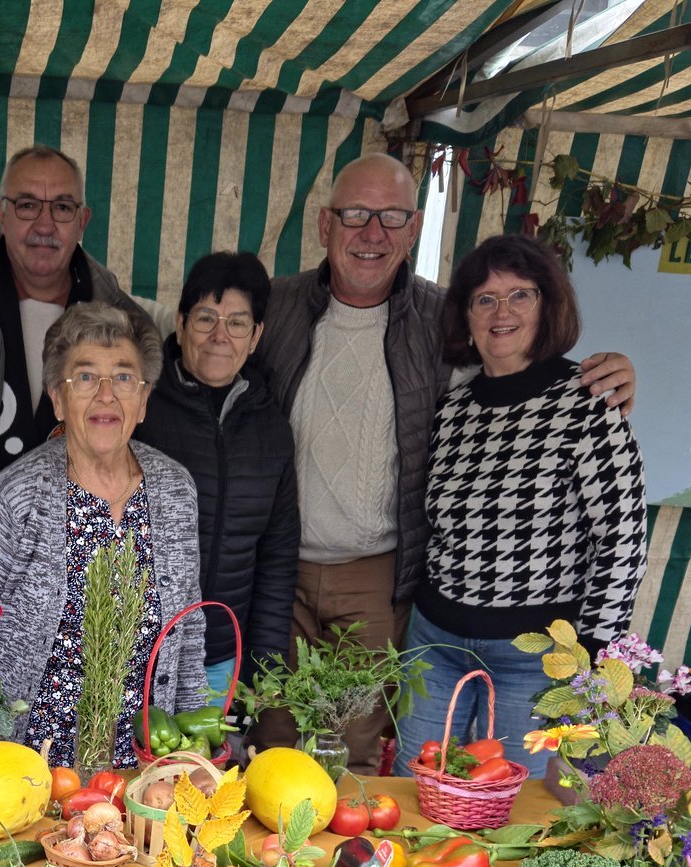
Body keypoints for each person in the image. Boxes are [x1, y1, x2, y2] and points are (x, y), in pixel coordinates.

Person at [257, 153, 637, 769]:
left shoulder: (573, 394)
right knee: (307, 747)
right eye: (356, 215)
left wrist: (594, 652)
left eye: (393, 217)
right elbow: (195, 338)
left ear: (414, 230)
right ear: (325, 225)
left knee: (429, 770)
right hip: (349, 599)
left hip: (436, 604)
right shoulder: (275, 309)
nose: (372, 233)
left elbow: (621, 535)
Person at [393, 234, 647, 771]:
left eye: (520, 295)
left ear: (547, 305)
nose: (501, 311)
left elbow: (622, 540)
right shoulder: (453, 409)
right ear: (465, 316)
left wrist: (595, 659)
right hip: (434, 642)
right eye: (484, 299)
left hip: (532, 659)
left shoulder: (589, 402)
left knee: (509, 805)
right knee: (413, 787)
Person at [0, 301, 205, 769]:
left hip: (142, 773)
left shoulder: (174, 490)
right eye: (85, 377)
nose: (106, 395)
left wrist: (189, 758)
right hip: (26, 768)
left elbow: (188, 632)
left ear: (144, 399)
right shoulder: (18, 494)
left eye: (124, 377)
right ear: (57, 397)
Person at [0, 145, 139, 523]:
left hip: (81, 560)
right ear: (1, 214)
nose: (44, 223)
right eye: (27, 205)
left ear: (82, 220)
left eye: (62, 207)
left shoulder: (126, 324)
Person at [134, 250, 297, 699]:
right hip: (136, 651)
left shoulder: (271, 427)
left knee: (204, 770)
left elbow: (277, 555)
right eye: (206, 318)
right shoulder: (140, 407)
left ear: (256, 336)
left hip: (222, 658)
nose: (219, 336)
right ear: (181, 323)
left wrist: (262, 668)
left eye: (237, 323)